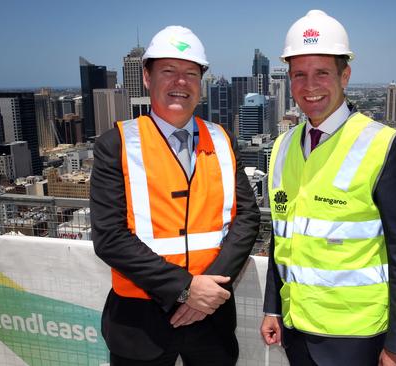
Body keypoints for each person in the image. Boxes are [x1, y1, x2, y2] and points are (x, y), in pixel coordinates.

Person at [260, 10, 396, 366]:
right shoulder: (282, 147)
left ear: (345, 75)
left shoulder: (384, 146)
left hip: (357, 337)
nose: (309, 86)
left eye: (322, 73)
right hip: (296, 330)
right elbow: (282, 236)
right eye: (299, 75)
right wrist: (273, 308)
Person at [91, 25, 260, 365]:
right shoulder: (117, 145)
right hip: (140, 325)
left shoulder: (223, 141)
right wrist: (185, 289)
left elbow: (247, 218)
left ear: (201, 83)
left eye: (191, 73)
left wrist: (206, 293)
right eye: (168, 71)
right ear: (147, 78)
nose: (180, 82)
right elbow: (109, 237)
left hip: (211, 322)